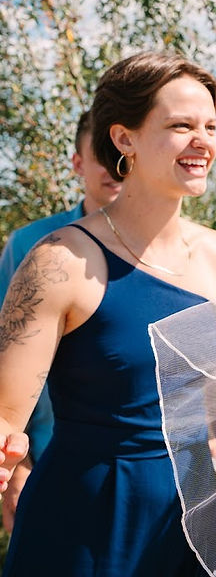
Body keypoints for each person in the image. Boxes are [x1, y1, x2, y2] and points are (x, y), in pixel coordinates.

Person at [0, 51, 216, 576]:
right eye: (180, 126)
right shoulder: (58, 260)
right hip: (83, 522)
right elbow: (5, 417)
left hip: (190, 523)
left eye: (210, 126)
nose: (202, 141)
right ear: (124, 138)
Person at [0, 111, 122, 534]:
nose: (117, 165)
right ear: (77, 163)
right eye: (104, 153)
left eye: (124, 152)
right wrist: (17, 470)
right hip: (52, 463)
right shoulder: (33, 244)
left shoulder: (178, 254)